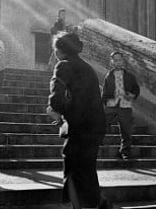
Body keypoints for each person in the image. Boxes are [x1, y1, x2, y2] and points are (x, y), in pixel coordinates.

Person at [47, 32, 112, 209]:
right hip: (96, 125)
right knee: (87, 168)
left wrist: (57, 111)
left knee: (72, 168)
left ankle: (76, 205)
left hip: (79, 126)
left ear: (60, 51)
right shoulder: (87, 67)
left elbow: (56, 98)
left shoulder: (63, 66)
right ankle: (99, 203)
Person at [101, 52, 140, 160]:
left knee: (126, 129)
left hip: (125, 105)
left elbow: (136, 89)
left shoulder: (130, 76)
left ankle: (125, 151)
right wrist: (104, 102)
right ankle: (96, 143)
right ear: (112, 62)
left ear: (123, 61)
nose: (118, 62)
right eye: (115, 60)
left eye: (120, 60)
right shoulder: (109, 76)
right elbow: (104, 91)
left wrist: (133, 95)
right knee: (102, 122)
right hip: (111, 104)